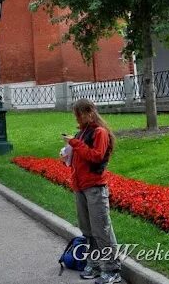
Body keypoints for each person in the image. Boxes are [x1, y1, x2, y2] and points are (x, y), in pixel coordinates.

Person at [61, 99, 121, 284]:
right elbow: (79, 157)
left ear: (89, 113)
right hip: (80, 186)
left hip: (95, 187)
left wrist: (74, 143)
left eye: (79, 115)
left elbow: (96, 156)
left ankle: (112, 269)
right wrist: (66, 156)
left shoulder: (99, 132)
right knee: (87, 230)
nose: (77, 119)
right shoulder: (82, 133)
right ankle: (94, 264)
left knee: (101, 229)